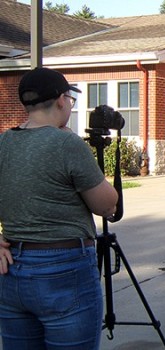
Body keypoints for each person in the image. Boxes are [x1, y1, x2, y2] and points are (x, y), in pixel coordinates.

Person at [0, 67, 119, 349]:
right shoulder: (67, 143)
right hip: (64, 268)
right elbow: (107, 205)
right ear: (62, 100)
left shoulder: (3, 142)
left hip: (13, 270)